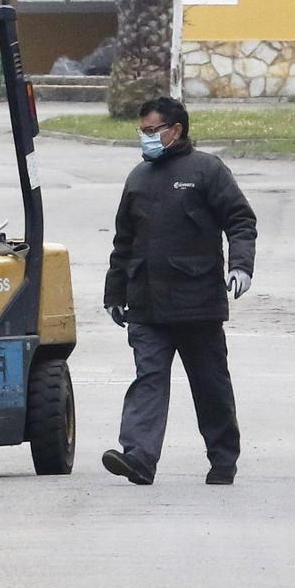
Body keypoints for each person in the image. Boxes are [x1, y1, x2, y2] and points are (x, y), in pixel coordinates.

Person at [102, 96, 257, 486]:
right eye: (143, 132)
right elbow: (123, 242)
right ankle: (138, 457)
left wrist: (241, 266)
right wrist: (114, 291)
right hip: (146, 303)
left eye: (154, 131)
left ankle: (223, 459)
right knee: (148, 379)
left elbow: (240, 220)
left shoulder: (206, 170)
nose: (147, 138)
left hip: (197, 303)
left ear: (176, 130)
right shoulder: (138, 178)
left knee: (210, 384)